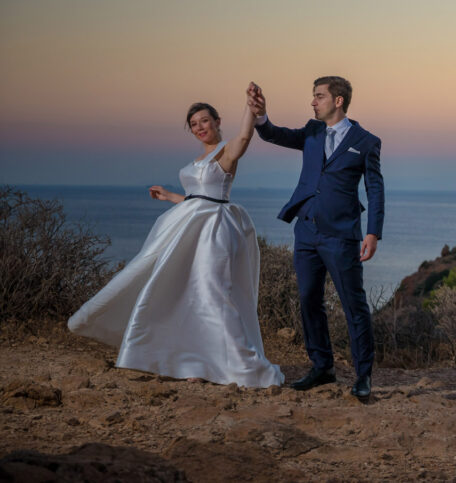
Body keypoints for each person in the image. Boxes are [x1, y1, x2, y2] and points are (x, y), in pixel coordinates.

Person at [68, 101, 284, 388]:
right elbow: (197, 198)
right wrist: (170, 196)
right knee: (183, 291)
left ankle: (242, 364)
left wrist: (250, 108)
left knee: (213, 292)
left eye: (204, 121)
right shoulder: (197, 160)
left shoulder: (226, 153)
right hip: (185, 229)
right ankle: (192, 361)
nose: (199, 128)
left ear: (218, 121)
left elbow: (244, 138)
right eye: (194, 124)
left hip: (213, 232)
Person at [247, 77, 383, 399]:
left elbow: (375, 190)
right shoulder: (311, 132)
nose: (313, 102)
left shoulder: (366, 141)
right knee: (309, 300)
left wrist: (373, 232)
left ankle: (363, 375)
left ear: (338, 101)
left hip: (341, 235)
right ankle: (322, 366)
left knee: (354, 306)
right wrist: (261, 115)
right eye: (313, 96)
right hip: (306, 231)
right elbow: (273, 134)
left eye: (318, 96)